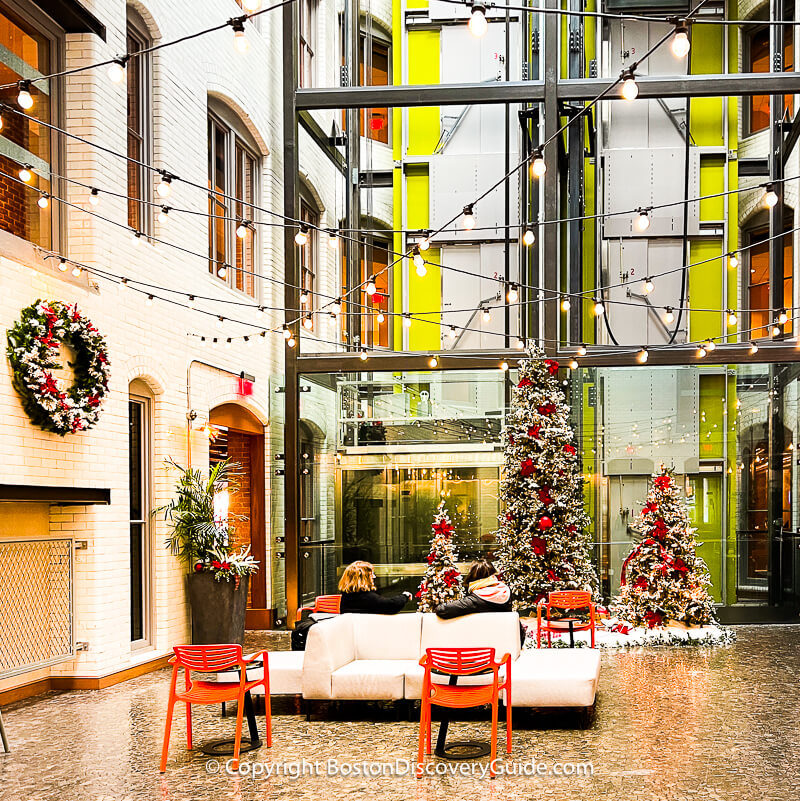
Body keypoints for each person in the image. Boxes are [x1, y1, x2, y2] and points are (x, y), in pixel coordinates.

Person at [435, 558, 526, 645]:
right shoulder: (506, 591)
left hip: (482, 650)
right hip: (506, 648)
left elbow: (442, 610)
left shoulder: (475, 600)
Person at [339, 560, 412, 614]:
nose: (374, 577)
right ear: (364, 578)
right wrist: (404, 596)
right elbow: (391, 605)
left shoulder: (347, 596)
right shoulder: (368, 598)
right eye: (371, 574)